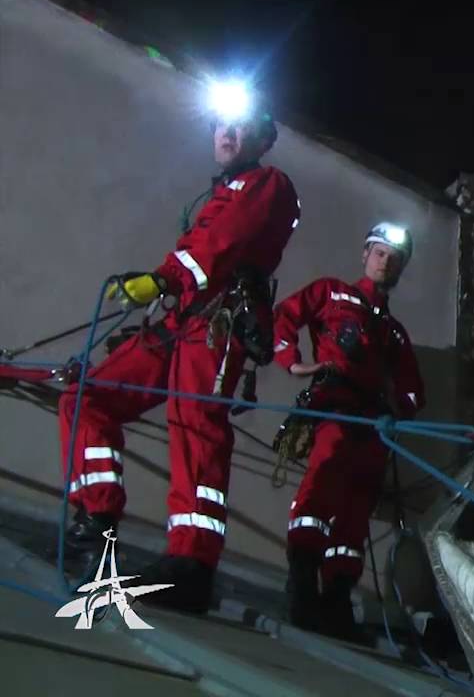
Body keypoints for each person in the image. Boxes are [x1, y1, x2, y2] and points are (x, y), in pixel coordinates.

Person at [59, 79, 301, 611]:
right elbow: (203, 249)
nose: (227, 133)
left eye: (241, 125)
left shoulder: (269, 184)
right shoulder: (221, 193)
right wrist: (164, 285)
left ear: (264, 138)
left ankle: (192, 564)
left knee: (196, 427)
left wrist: (163, 278)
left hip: (217, 323)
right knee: (85, 397)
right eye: (221, 124)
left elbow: (220, 246)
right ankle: (96, 518)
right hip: (182, 320)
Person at [271, 222, 425, 639]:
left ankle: (337, 598)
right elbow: (283, 318)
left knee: (357, 509)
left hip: (373, 424)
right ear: (365, 254)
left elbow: (414, 390)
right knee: (321, 486)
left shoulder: (395, 333)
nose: (385, 261)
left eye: (394, 258)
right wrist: (294, 364)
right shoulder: (331, 293)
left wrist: (399, 409)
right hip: (335, 408)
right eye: (380, 252)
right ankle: (302, 587)